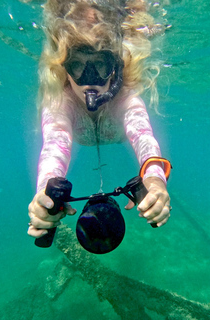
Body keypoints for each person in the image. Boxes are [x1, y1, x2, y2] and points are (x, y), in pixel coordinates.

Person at [27, 0, 172, 240]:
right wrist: (43, 194)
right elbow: (54, 145)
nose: (89, 80)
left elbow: (144, 136)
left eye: (100, 65)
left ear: (115, 69)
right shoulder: (60, 102)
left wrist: (155, 182)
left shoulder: (125, 98)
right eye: (77, 66)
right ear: (64, 69)